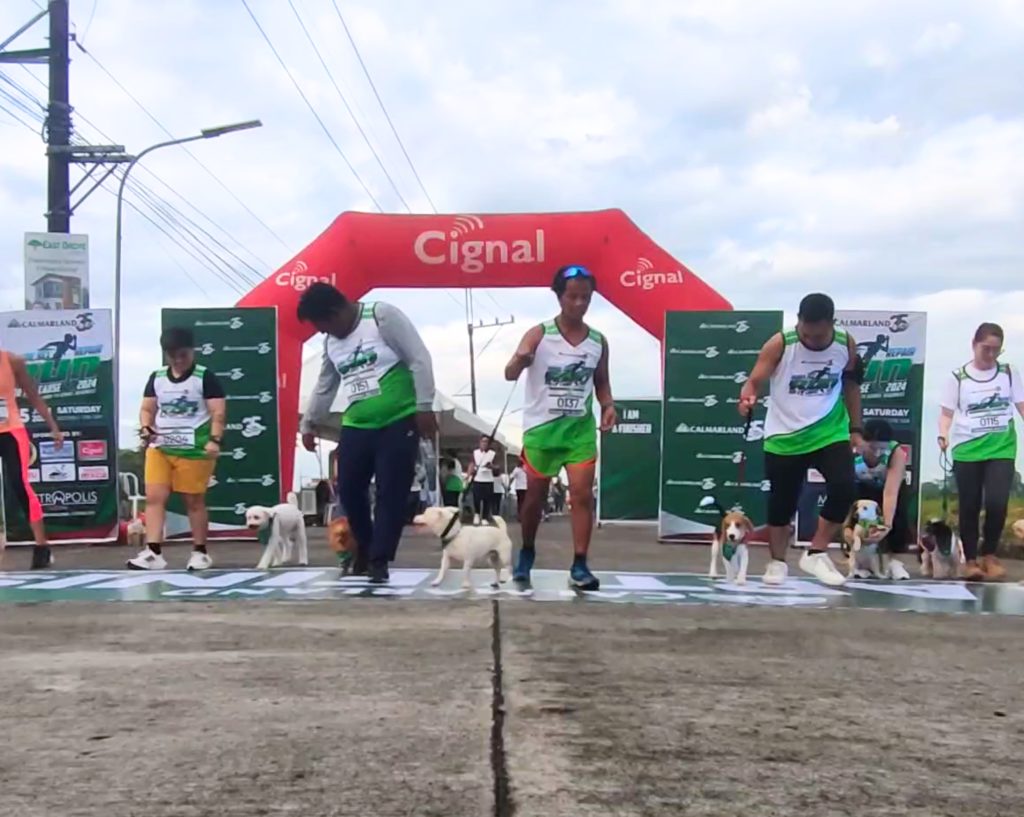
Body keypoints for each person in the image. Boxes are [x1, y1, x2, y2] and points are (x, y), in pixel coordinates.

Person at [298, 282, 437, 584]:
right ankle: (365, 543)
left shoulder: (381, 317)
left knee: (391, 491)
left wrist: (425, 405)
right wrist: (309, 423)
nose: (323, 333)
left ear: (336, 313)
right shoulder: (331, 344)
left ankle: (379, 558)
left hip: (398, 419)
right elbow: (326, 385)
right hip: (357, 424)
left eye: (323, 325)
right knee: (348, 488)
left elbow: (419, 358)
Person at [505, 264, 617, 591]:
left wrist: (609, 405)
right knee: (534, 499)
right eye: (573, 297)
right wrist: (521, 360)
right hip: (542, 429)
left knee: (581, 495)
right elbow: (510, 373)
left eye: (586, 297)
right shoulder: (539, 334)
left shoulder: (598, 341)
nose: (580, 303)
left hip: (579, 430)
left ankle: (580, 564)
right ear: (559, 296)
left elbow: (602, 382)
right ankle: (526, 551)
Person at [739, 292, 862, 587]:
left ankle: (816, 552)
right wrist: (748, 396)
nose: (814, 341)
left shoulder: (846, 344)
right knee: (782, 502)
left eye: (819, 336)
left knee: (844, 487)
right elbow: (754, 379)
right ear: (798, 323)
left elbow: (852, 386)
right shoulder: (781, 343)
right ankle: (777, 562)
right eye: (807, 333)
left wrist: (856, 428)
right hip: (785, 434)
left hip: (828, 430)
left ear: (832, 324)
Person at [130, 327, 226, 571]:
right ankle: (153, 552)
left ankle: (200, 551)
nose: (178, 360)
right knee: (154, 497)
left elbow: (218, 412)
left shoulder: (205, 377)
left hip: (194, 450)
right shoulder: (157, 377)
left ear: (191, 351)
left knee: (193, 501)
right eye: (173, 355)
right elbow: (147, 409)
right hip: (161, 447)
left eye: (182, 354)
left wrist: (215, 439)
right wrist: (146, 427)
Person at [938, 322, 1024, 581]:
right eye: (986, 349)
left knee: (997, 501)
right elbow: (946, 413)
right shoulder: (958, 378)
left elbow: (1021, 404)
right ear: (974, 345)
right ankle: (971, 559)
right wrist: (943, 434)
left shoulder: (1008, 373)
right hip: (968, 448)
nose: (991, 355)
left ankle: (990, 554)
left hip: (1001, 446)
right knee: (970, 504)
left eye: (996, 350)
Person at [0, 344, 64, 569]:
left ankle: (41, 547)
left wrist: (53, 427)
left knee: (20, 485)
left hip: (10, 431)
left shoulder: (11, 360)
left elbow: (33, 396)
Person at [854, 419, 912, 579]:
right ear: (863, 442)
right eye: (873, 447)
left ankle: (895, 562)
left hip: (888, 489)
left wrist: (886, 525)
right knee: (857, 518)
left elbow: (891, 492)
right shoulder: (853, 450)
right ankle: (859, 562)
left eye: (882, 448)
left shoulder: (896, 452)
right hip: (862, 488)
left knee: (898, 516)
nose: (877, 452)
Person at [466, 435, 497, 521]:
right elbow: (471, 464)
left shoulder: (492, 453)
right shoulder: (475, 452)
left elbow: (497, 466)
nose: (484, 443)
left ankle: (484, 517)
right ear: (480, 443)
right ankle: (477, 514)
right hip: (478, 479)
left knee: (487, 499)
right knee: (476, 498)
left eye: (486, 441)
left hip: (488, 479)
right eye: (483, 441)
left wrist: (491, 466)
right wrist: (468, 475)